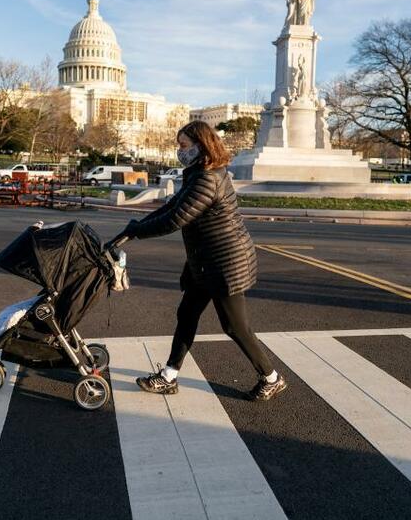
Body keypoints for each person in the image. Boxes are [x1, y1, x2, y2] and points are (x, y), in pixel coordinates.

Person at [121, 121, 287, 401]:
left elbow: (177, 219)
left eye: (183, 146)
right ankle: (169, 376)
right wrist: (137, 224)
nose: (179, 151)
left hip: (225, 264)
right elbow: (171, 206)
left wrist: (138, 231)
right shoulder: (197, 174)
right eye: (179, 145)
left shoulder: (209, 178)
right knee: (187, 315)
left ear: (201, 145)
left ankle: (271, 378)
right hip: (205, 261)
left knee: (235, 326)